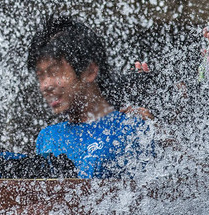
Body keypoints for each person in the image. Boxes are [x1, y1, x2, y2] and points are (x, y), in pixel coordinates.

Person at [25, 16, 154, 178]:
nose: (45, 86)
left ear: (89, 71)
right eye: (41, 76)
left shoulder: (132, 127)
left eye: (55, 72)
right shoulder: (48, 138)